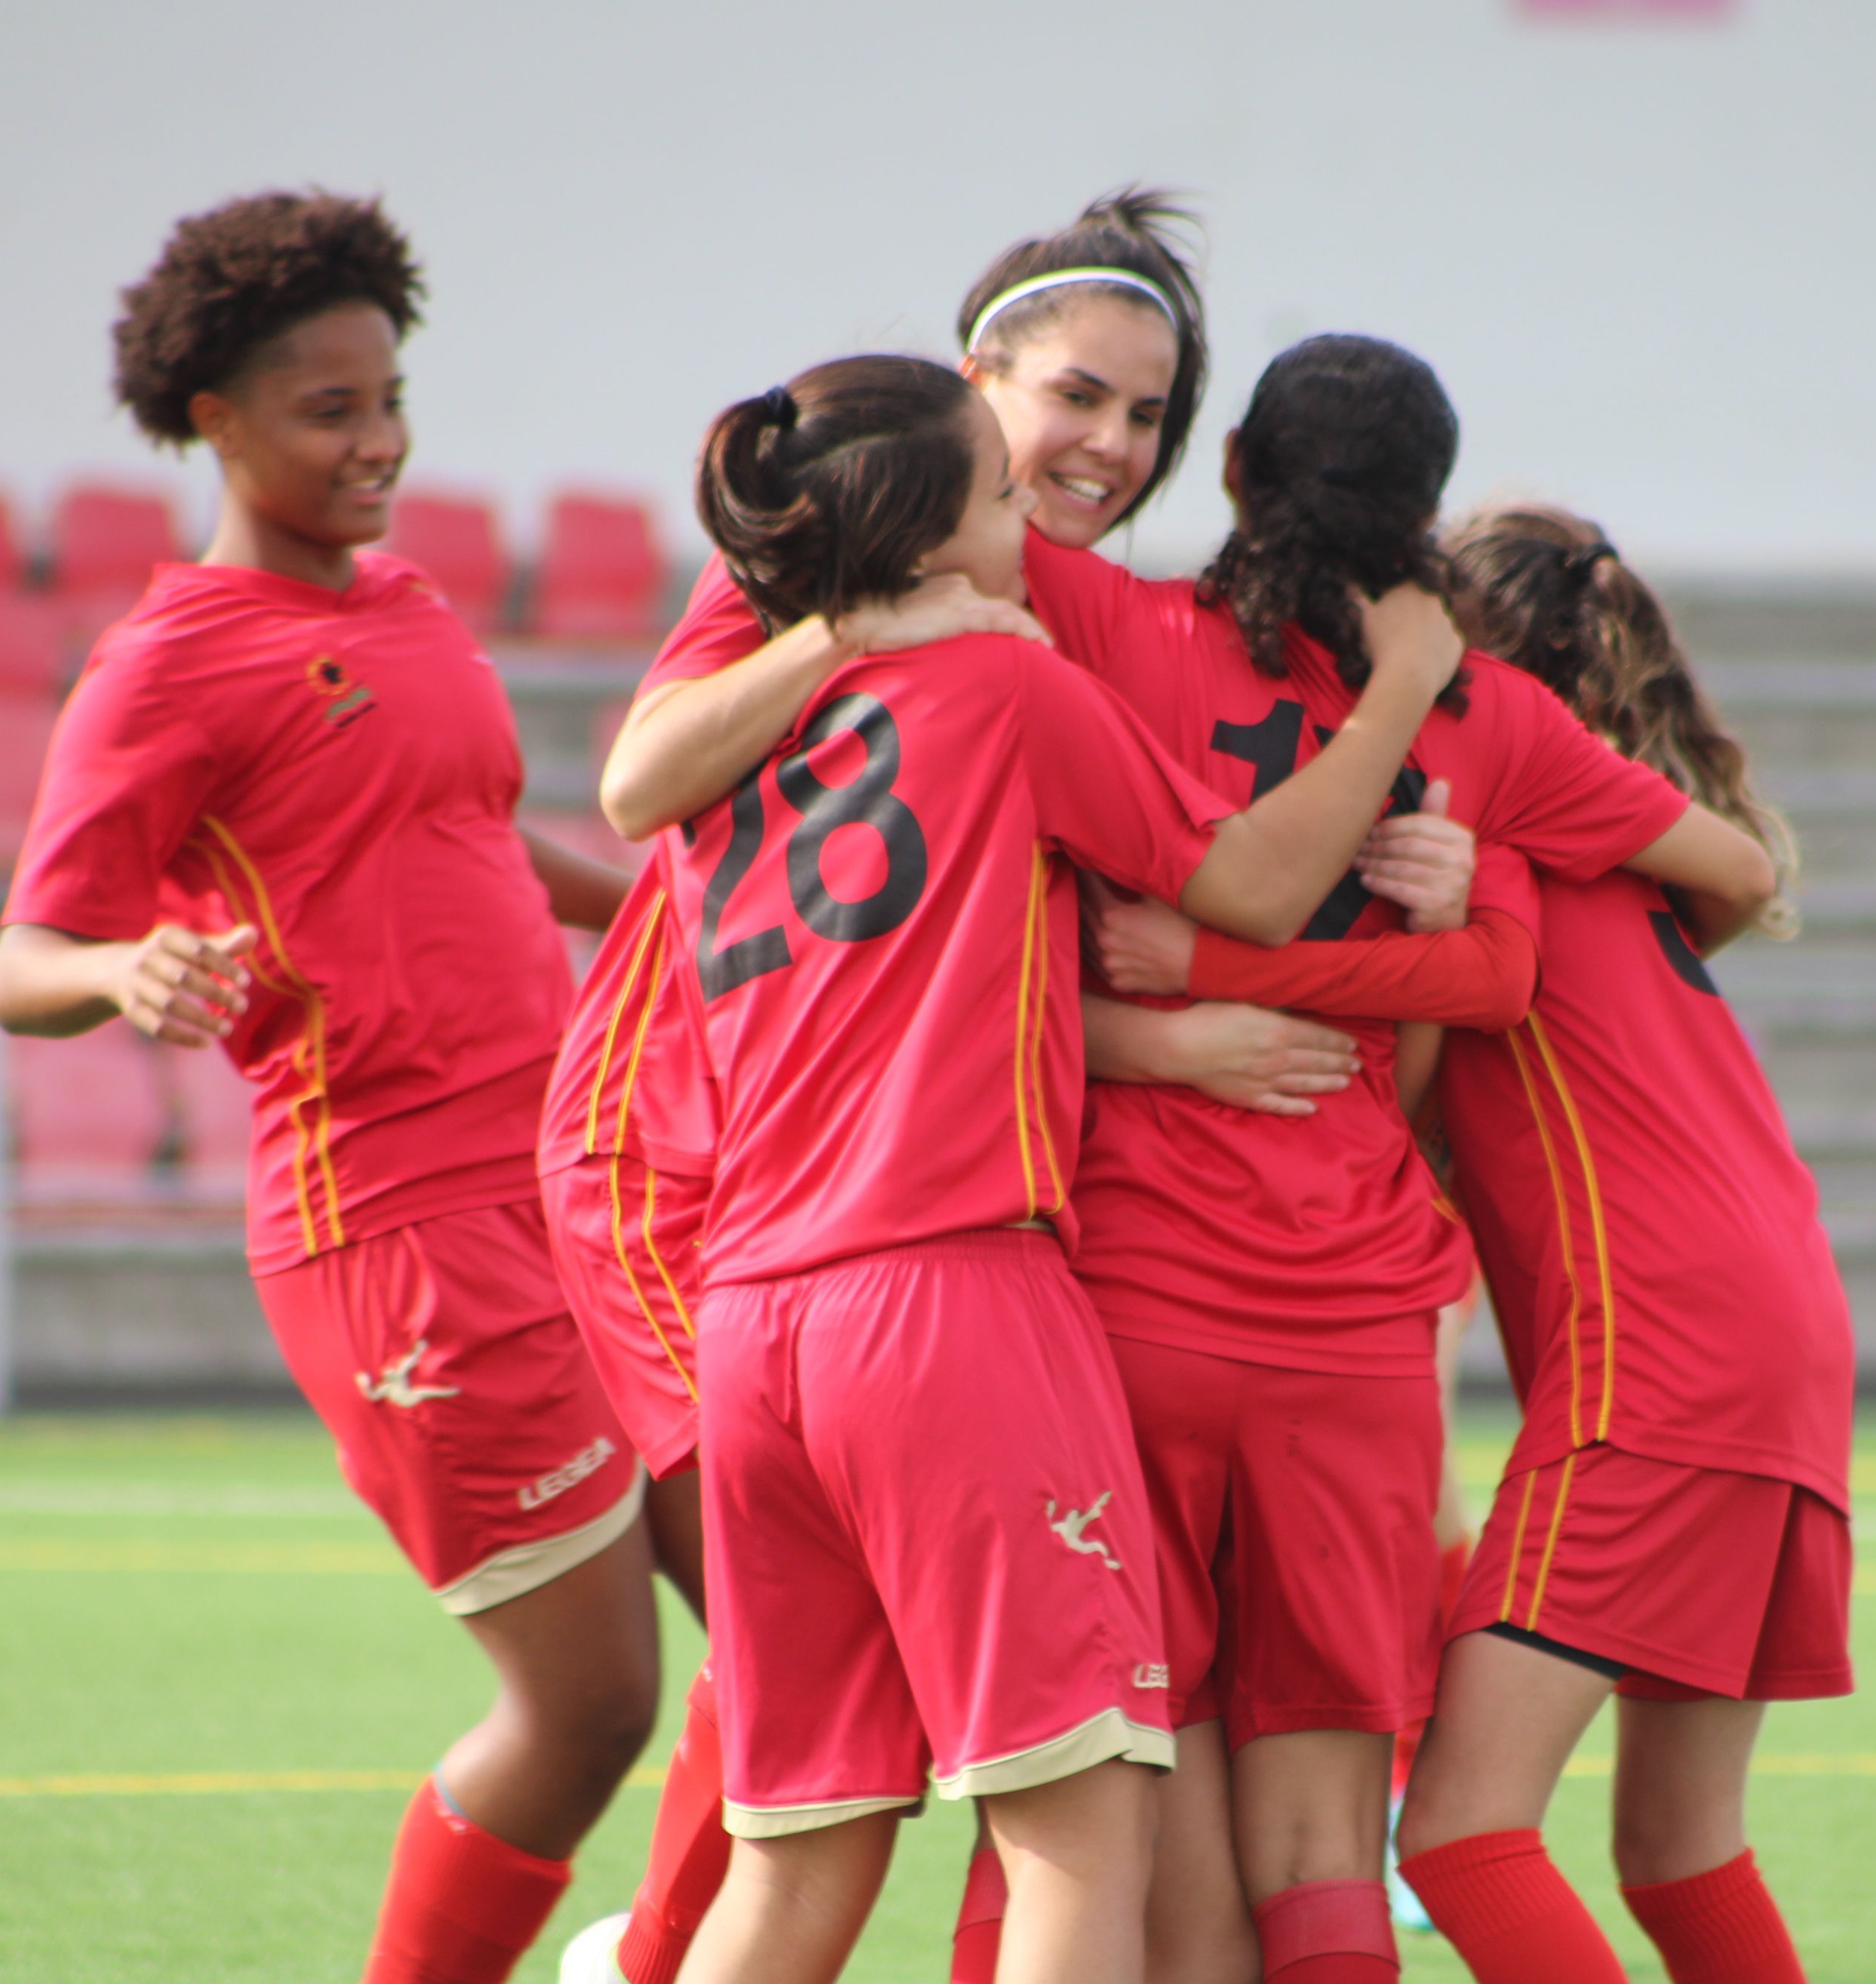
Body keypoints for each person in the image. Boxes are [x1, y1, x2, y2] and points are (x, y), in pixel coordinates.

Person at [607, 331, 1762, 1984]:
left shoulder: (751, 744)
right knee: (1135, 1839)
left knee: (809, 1868)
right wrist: (1449, 810)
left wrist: (1159, 1011)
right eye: (1017, 479)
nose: (1059, 506)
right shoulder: (1057, 675)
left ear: (1225, 468)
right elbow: (1314, 900)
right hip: (1018, 1304)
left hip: (791, 1313)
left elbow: (637, 778)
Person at [549, 190, 1383, 1984]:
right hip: (938, 1290)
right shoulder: (1001, 673)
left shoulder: (784, 689)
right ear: (963, 410)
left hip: (760, 1307)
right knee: (1085, 1844)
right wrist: (1401, 740)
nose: (1090, 465)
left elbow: (686, 819)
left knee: (800, 1857)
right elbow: (1229, 883)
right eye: (1051, 426)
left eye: (1147, 417)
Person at [0, 190, 657, 1984]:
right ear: (214, 420)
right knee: (593, 1707)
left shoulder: (409, 603)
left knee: (812, 1627)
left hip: (583, 1180)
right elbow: (21, 959)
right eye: (330, 411)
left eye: (391, 396)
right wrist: (127, 968)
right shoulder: (168, 664)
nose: (382, 444)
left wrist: (688, 907)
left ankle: (661, 1958)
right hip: (398, 1226)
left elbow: (474, 835)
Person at [1109, 506, 1842, 1984]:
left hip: (1660, 1348)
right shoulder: (1617, 846)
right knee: (1682, 1845)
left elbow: (1415, 1048)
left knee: (1455, 1833)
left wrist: (1177, 983)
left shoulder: (1483, 828)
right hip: (1785, 1331)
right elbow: (1741, 883)